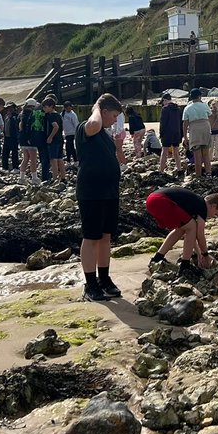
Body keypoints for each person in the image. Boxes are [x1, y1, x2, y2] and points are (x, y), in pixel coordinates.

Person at [77, 93, 125, 301]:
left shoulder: (104, 133)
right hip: (91, 192)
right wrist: (97, 106)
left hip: (109, 192)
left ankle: (104, 279)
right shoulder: (85, 128)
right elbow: (94, 125)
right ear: (102, 112)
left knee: (106, 237)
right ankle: (90, 284)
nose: (115, 120)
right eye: (113, 115)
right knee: (91, 237)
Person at [146, 188, 218, 273]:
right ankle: (185, 266)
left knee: (181, 229)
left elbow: (192, 235)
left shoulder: (195, 203)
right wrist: (205, 255)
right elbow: (200, 235)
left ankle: (157, 258)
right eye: (216, 214)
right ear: (213, 206)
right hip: (161, 200)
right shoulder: (203, 207)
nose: (214, 216)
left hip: (151, 200)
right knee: (191, 226)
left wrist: (199, 254)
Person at [182, 88, 212, 175]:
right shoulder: (205, 105)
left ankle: (198, 175)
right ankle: (208, 173)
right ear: (199, 96)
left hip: (194, 130)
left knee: (197, 155)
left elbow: (185, 124)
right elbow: (210, 116)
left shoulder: (187, 108)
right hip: (205, 128)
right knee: (206, 154)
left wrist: (185, 137)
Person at [158, 93, 185, 173]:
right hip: (177, 133)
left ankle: (161, 170)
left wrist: (161, 134)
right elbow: (181, 122)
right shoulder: (178, 109)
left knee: (164, 152)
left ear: (165, 100)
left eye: (162, 102)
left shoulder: (165, 109)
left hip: (167, 133)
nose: (162, 104)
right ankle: (179, 169)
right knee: (176, 152)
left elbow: (163, 123)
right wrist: (181, 135)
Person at [19, 98, 40, 186]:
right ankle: (34, 178)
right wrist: (31, 138)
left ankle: (22, 177)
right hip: (30, 140)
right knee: (33, 159)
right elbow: (30, 127)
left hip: (22, 139)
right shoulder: (31, 115)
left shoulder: (21, 114)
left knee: (25, 158)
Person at [43, 97, 64, 183]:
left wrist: (50, 137)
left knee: (53, 159)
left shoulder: (51, 116)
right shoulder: (58, 115)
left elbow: (56, 127)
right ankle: (63, 177)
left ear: (51, 106)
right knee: (60, 158)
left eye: (45, 107)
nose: (44, 109)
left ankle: (55, 178)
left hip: (54, 140)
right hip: (60, 139)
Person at [2, 102, 20, 171]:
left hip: (13, 137)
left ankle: (15, 167)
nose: (9, 110)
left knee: (14, 153)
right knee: (5, 153)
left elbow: (16, 126)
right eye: (8, 108)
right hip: (6, 137)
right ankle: (4, 167)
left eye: (11, 108)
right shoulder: (6, 116)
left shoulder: (16, 116)